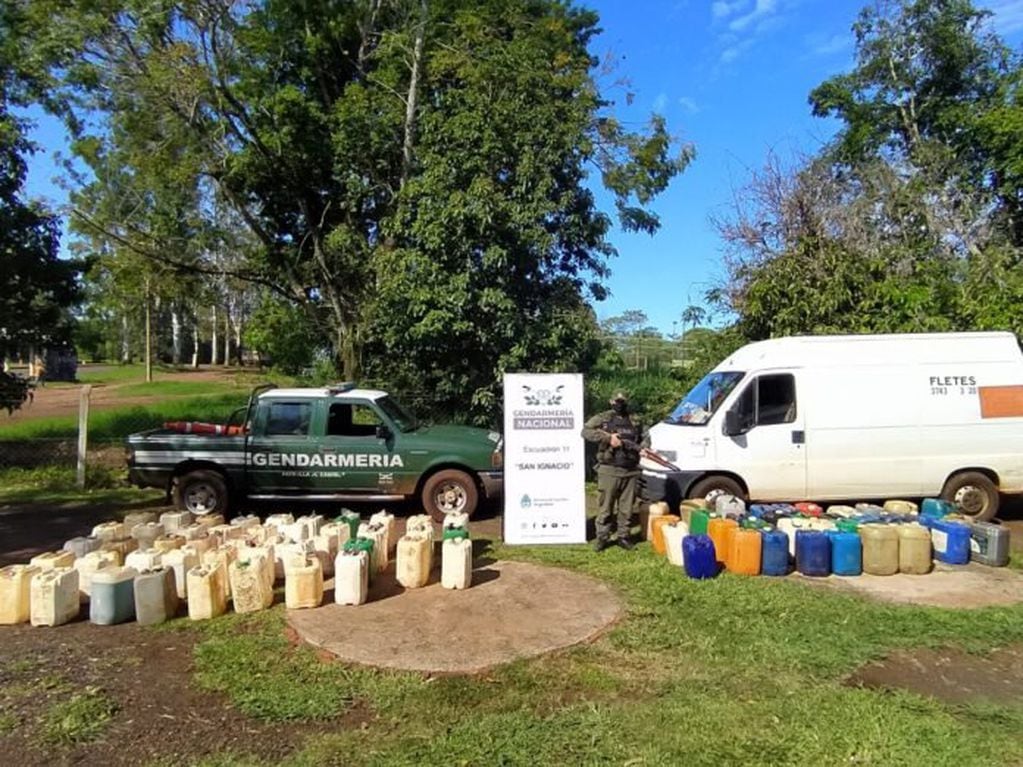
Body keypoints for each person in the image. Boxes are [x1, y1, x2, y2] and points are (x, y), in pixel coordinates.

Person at [581, 391, 647, 552]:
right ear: (611, 401)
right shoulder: (603, 418)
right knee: (606, 507)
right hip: (609, 469)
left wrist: (644, 448)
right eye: (617, 401)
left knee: (627, 508)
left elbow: (645, 436)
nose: (620, 404)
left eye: (623, 401)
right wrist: (608, 438)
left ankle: (623, 537)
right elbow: (585, 432)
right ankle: (602, 537)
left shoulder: (635, 420)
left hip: (630, 469)